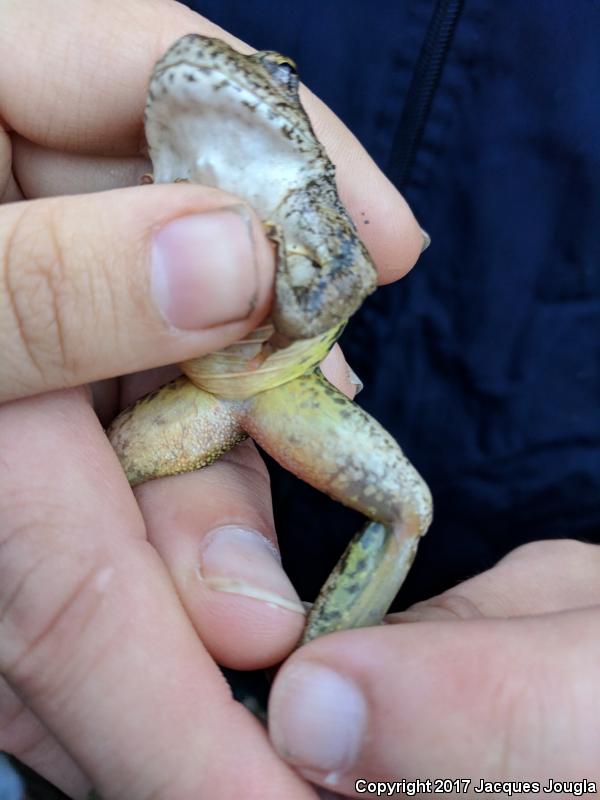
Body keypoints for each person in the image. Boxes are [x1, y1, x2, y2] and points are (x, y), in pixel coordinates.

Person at [0, 2, 598, 799]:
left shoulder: (317, 198)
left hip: (289, 386)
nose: (222, 67)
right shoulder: (154, 170)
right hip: (197, 393)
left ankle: (327, 652)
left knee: (403, 506)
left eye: (273, 73)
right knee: (84, 505)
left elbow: (349, 277)